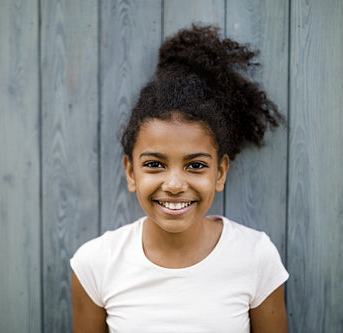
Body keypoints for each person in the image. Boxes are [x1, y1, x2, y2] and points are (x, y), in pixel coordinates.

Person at [70, 24, 289, 333]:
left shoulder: (255, 257)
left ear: (221, 172)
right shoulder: (95, 264)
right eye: (155, 164)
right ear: (131, 173)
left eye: (196, 166)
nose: (174, 185)